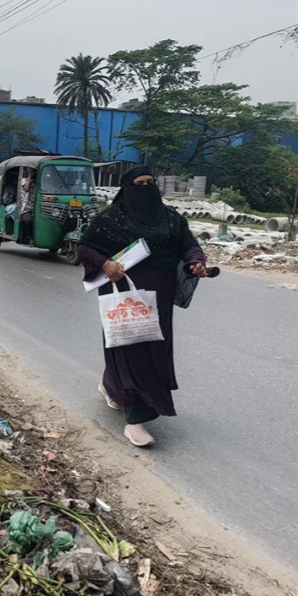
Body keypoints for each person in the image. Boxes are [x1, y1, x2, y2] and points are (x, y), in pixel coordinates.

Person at [77, 166, 207, 448]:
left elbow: (188, 245)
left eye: (150, 183)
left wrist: (196, 261)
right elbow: (85, 247)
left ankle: (111, 383)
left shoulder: (171, 219)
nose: (146, 188)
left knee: (153, 348)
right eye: (139, 183)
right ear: (127, 188)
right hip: (124, 290)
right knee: (129, 346)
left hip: (159, 295)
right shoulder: (110, 219)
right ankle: (135, 419)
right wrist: (106, 264)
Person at [17, 168, 35, 244]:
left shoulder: (38, 181)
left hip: (36, 207)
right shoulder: (24, 181)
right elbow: (26, 188)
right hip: (26, 209)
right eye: (30, 171)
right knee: (28, 221)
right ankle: (28, 238)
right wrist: (29, 176)